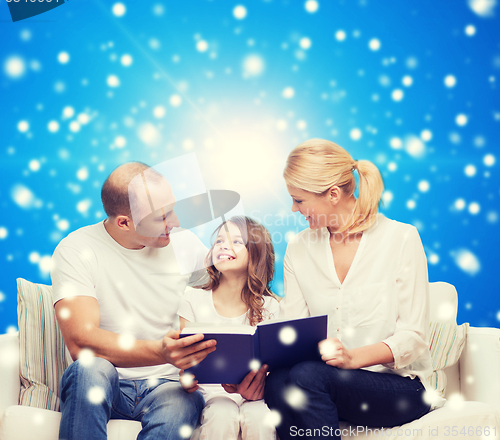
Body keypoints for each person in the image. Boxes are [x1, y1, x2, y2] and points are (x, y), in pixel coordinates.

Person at [264, 139, 444, 440]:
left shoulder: (400, 238)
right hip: (329, 383)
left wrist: (353, 358)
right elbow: (294, 331)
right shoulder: (298, 248)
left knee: (306, 377)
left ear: (333, 194)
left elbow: (413, 338)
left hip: (400, 387)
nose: (293, 209)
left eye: (299, 200)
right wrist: (255, 371)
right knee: (278, 382)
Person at [51, 162, 216, 440]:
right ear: (124, 222)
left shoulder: (184, 244)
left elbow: (232, 294)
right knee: (89, 369)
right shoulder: (77, 249)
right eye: (161, 217)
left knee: (181, 402)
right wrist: (161, 351)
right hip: (109, 382)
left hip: (169, 384)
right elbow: (81, 342)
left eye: (173, 210)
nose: (174, 223)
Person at [178, 216, 279, 440]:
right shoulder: (192, 300)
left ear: (256, 253)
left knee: (258, 416)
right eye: (219, 241)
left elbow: (276, 366)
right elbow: (184, 361)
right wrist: (186, 377)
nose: (224, 245)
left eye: (236, 241)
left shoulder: (270, 307)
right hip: (210, 396)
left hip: (255, 397)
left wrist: (259, 386)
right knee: (222, 413)